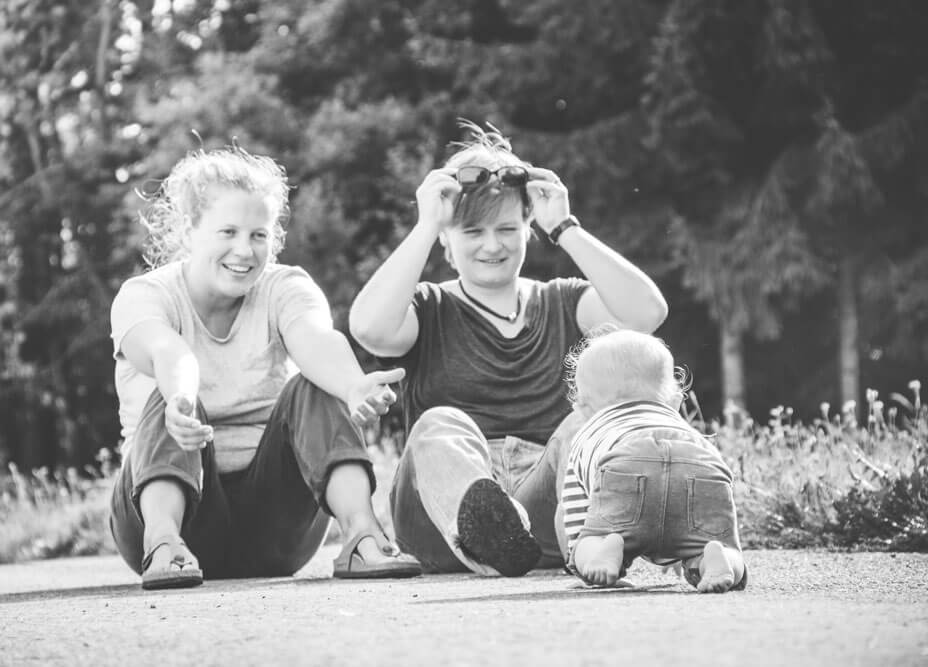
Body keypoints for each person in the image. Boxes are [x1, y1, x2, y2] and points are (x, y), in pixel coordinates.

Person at [348, 121, 668, 576]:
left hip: (543, 512)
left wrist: (564, 225)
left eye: (506, 228)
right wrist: (425, 225)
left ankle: (512, 539)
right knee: (438, 423)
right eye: (473, 232)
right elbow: (369, 329)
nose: (492, 245)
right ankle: (485, 530)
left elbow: (646, 315)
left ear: (528, 228)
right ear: (447, 238)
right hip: (440, 520)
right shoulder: (429, 305)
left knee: (586, 422)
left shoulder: (564, 301)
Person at [109, 145, 421, 589]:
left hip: (275, 528)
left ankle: (363, 535)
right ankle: (164, 544)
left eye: (259, 235)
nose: (245, 250)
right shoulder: (145, 296)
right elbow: (170, 354)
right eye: (228, 232)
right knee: (170, 397)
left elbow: (314, 341)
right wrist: (181, 400)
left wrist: (353, 386)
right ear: (190, 229)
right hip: (166, 511)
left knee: (312, 386)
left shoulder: (285, 287)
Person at [560, 326, 747, 593]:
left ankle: (605, 550)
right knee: (714, 543)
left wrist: (582, 549)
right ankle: (717, 558)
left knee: (590, 540)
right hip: (699, 460)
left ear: (583, 406)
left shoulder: (590, 434)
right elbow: (721, 484)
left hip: (624, 460)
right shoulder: (684, 427)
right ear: (675, 397)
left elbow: (577, 509)